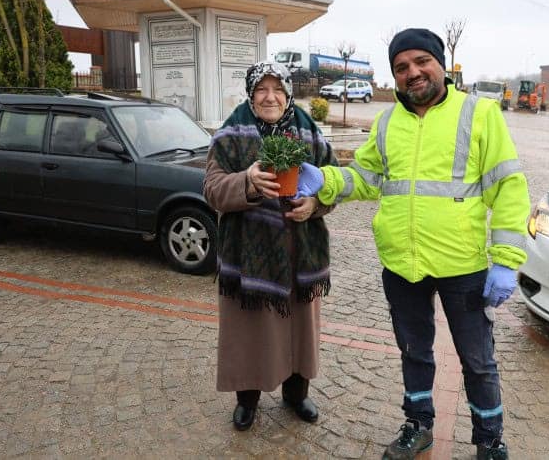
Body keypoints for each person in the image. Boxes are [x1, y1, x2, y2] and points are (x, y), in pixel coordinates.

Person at [311, 28, 530, 460]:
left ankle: (490, 440)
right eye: (401, 67)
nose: (412, 72)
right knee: (414, 352)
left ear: (441, 64)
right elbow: (368, 177)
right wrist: (327, 179)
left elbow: (508, 186)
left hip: (462, 266)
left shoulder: (479, 113)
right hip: (402, 263)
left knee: (478, 359)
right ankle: (418, 425)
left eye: (420, 62)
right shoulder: (388, 120)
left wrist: (505, 260)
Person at [203, 60, 334, 432]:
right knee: (249, 332)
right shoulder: (230, 134)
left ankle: (297, 394)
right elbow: (212, 190)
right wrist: (246, 181)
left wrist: (316, 204)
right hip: (249, 258)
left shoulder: (309, 132)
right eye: (262, 89)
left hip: (300, 254)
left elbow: (332, 182)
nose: (270, 96)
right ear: (251, 93)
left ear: (288, 93)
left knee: (299, 331)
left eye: (278, 89)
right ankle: (247, 401)